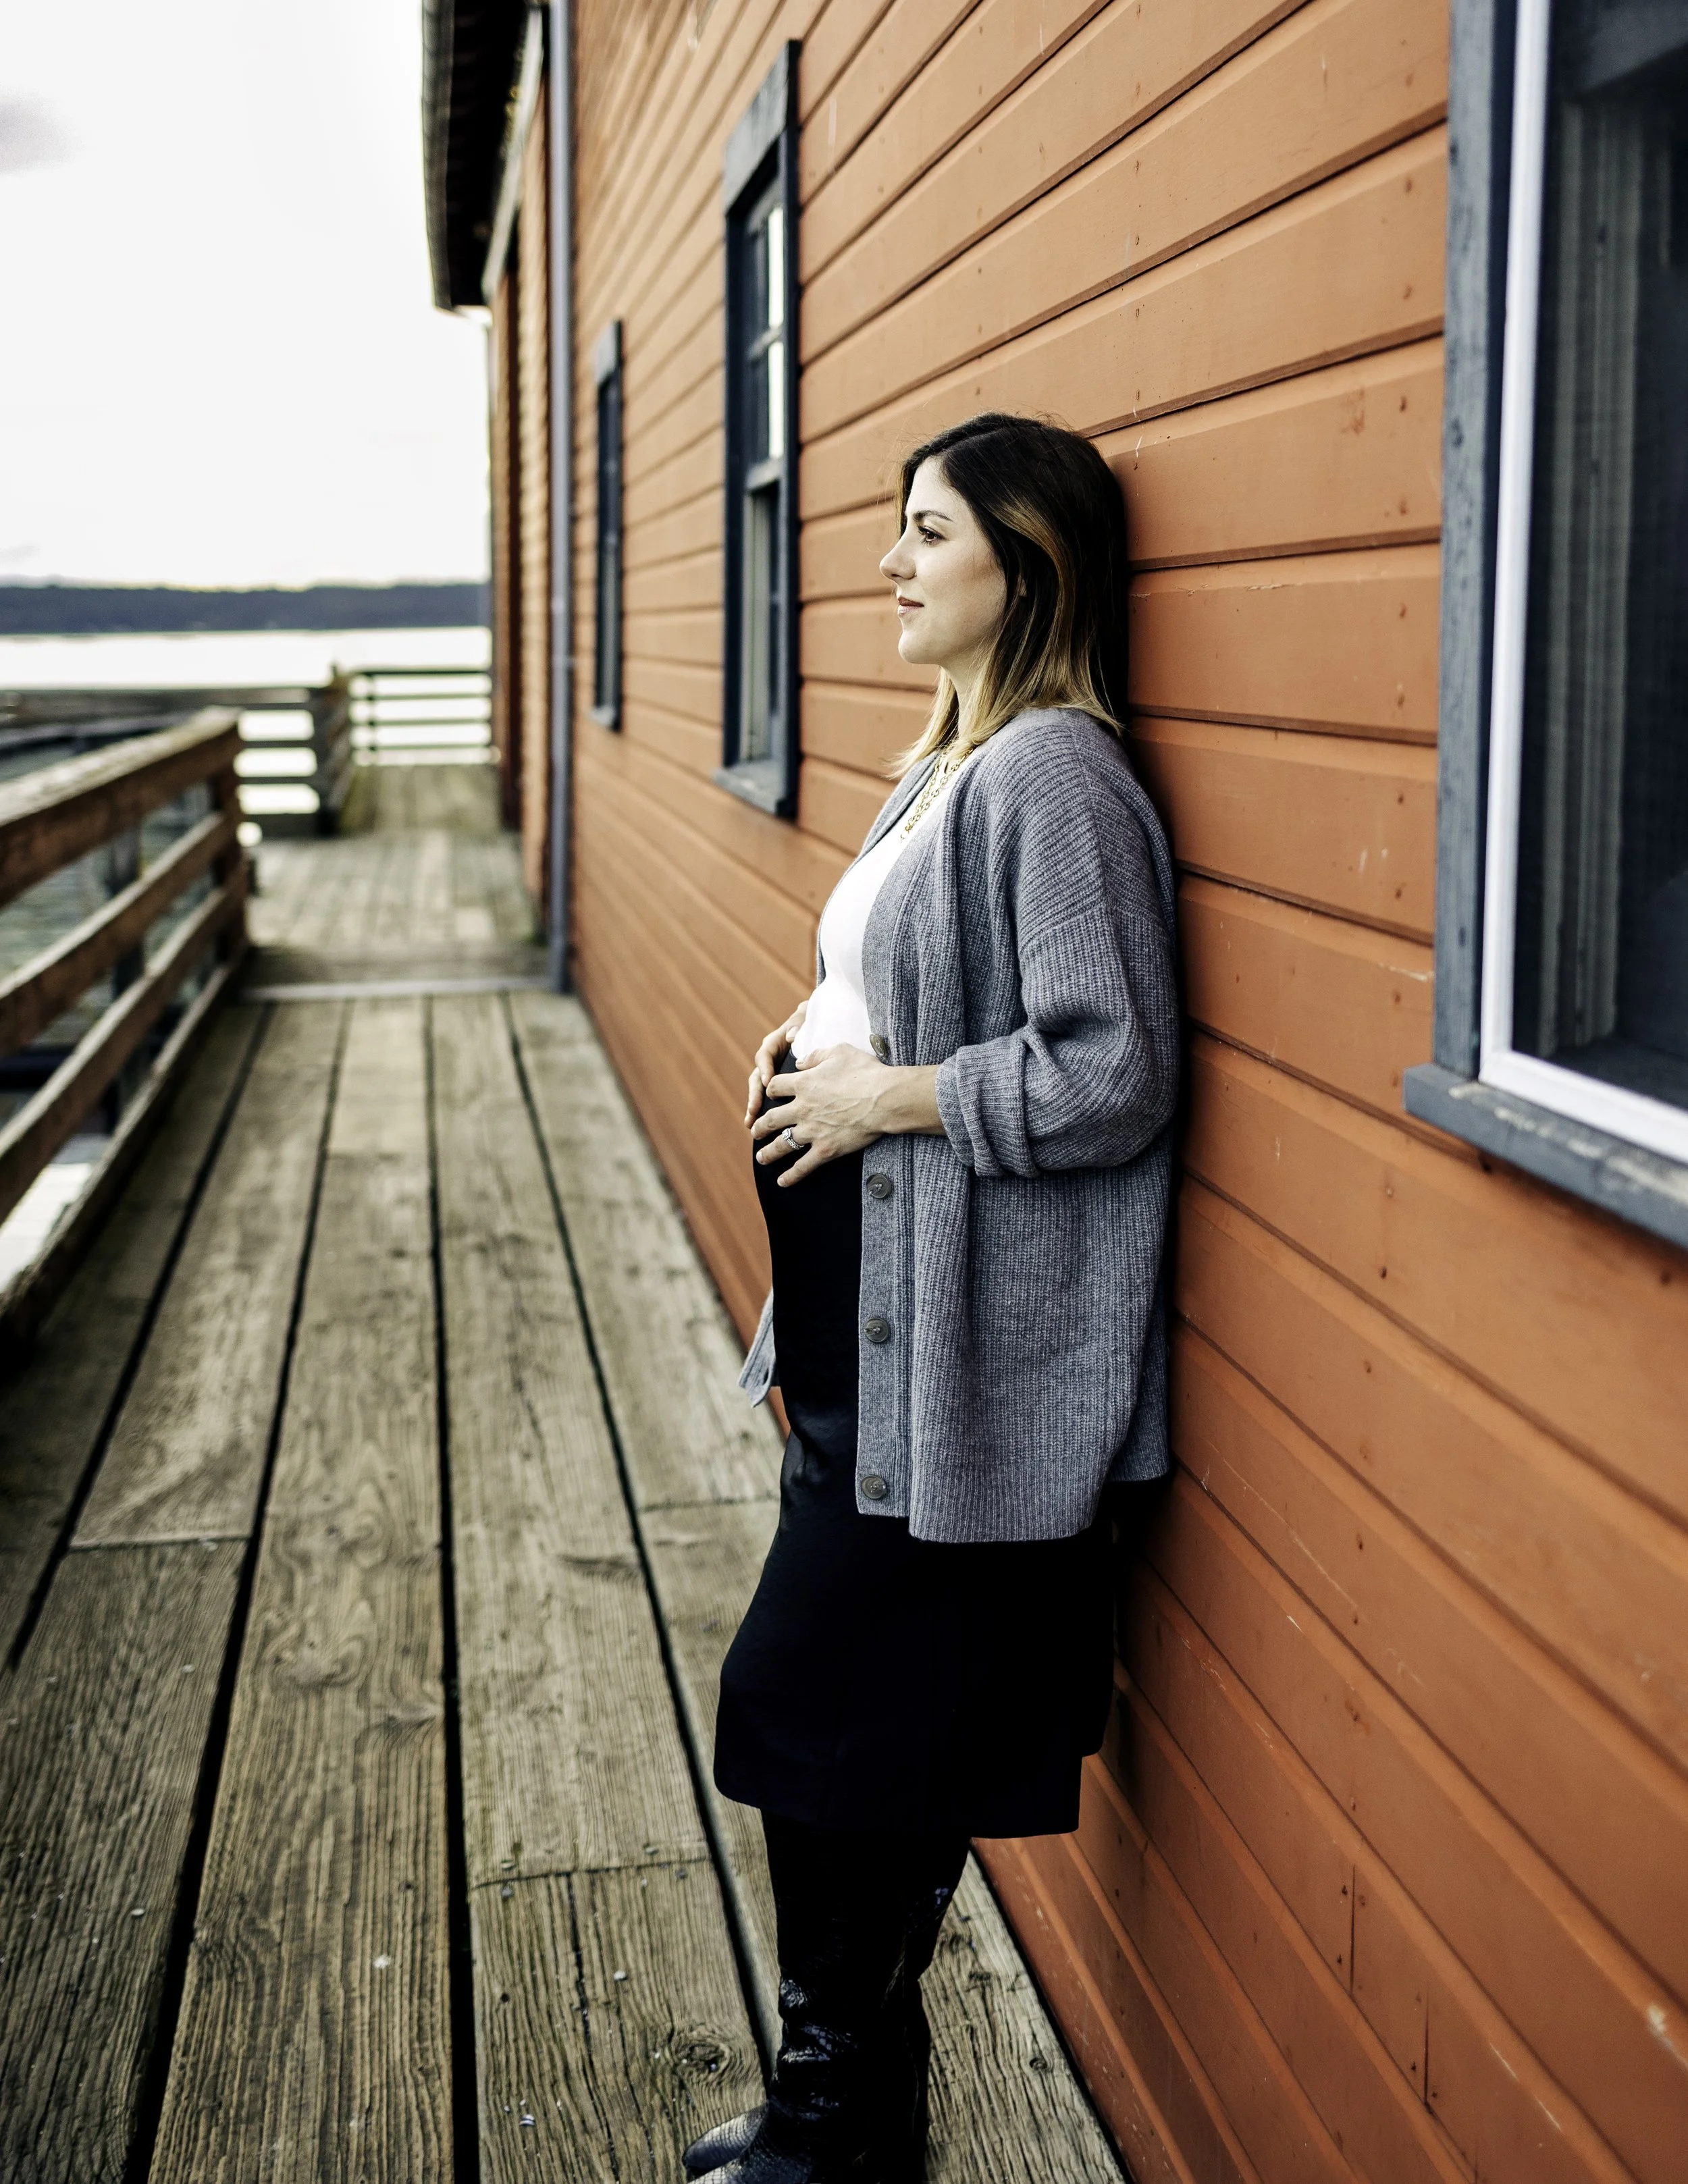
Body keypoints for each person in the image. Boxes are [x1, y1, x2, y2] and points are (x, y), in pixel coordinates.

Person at [685, 412, 1180, 2183]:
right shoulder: (952, 759)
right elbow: (888, 1000)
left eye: (923, 533)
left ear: (1023, 563)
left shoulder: (1057, 780)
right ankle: (841, 2120)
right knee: (844, 1721)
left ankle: (835, 2121)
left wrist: (881, 1098)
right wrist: (813, 1059)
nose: (887, 563)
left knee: (811, 1710)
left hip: (952, 1365)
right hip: (864, 1335)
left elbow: (1112, 1069)